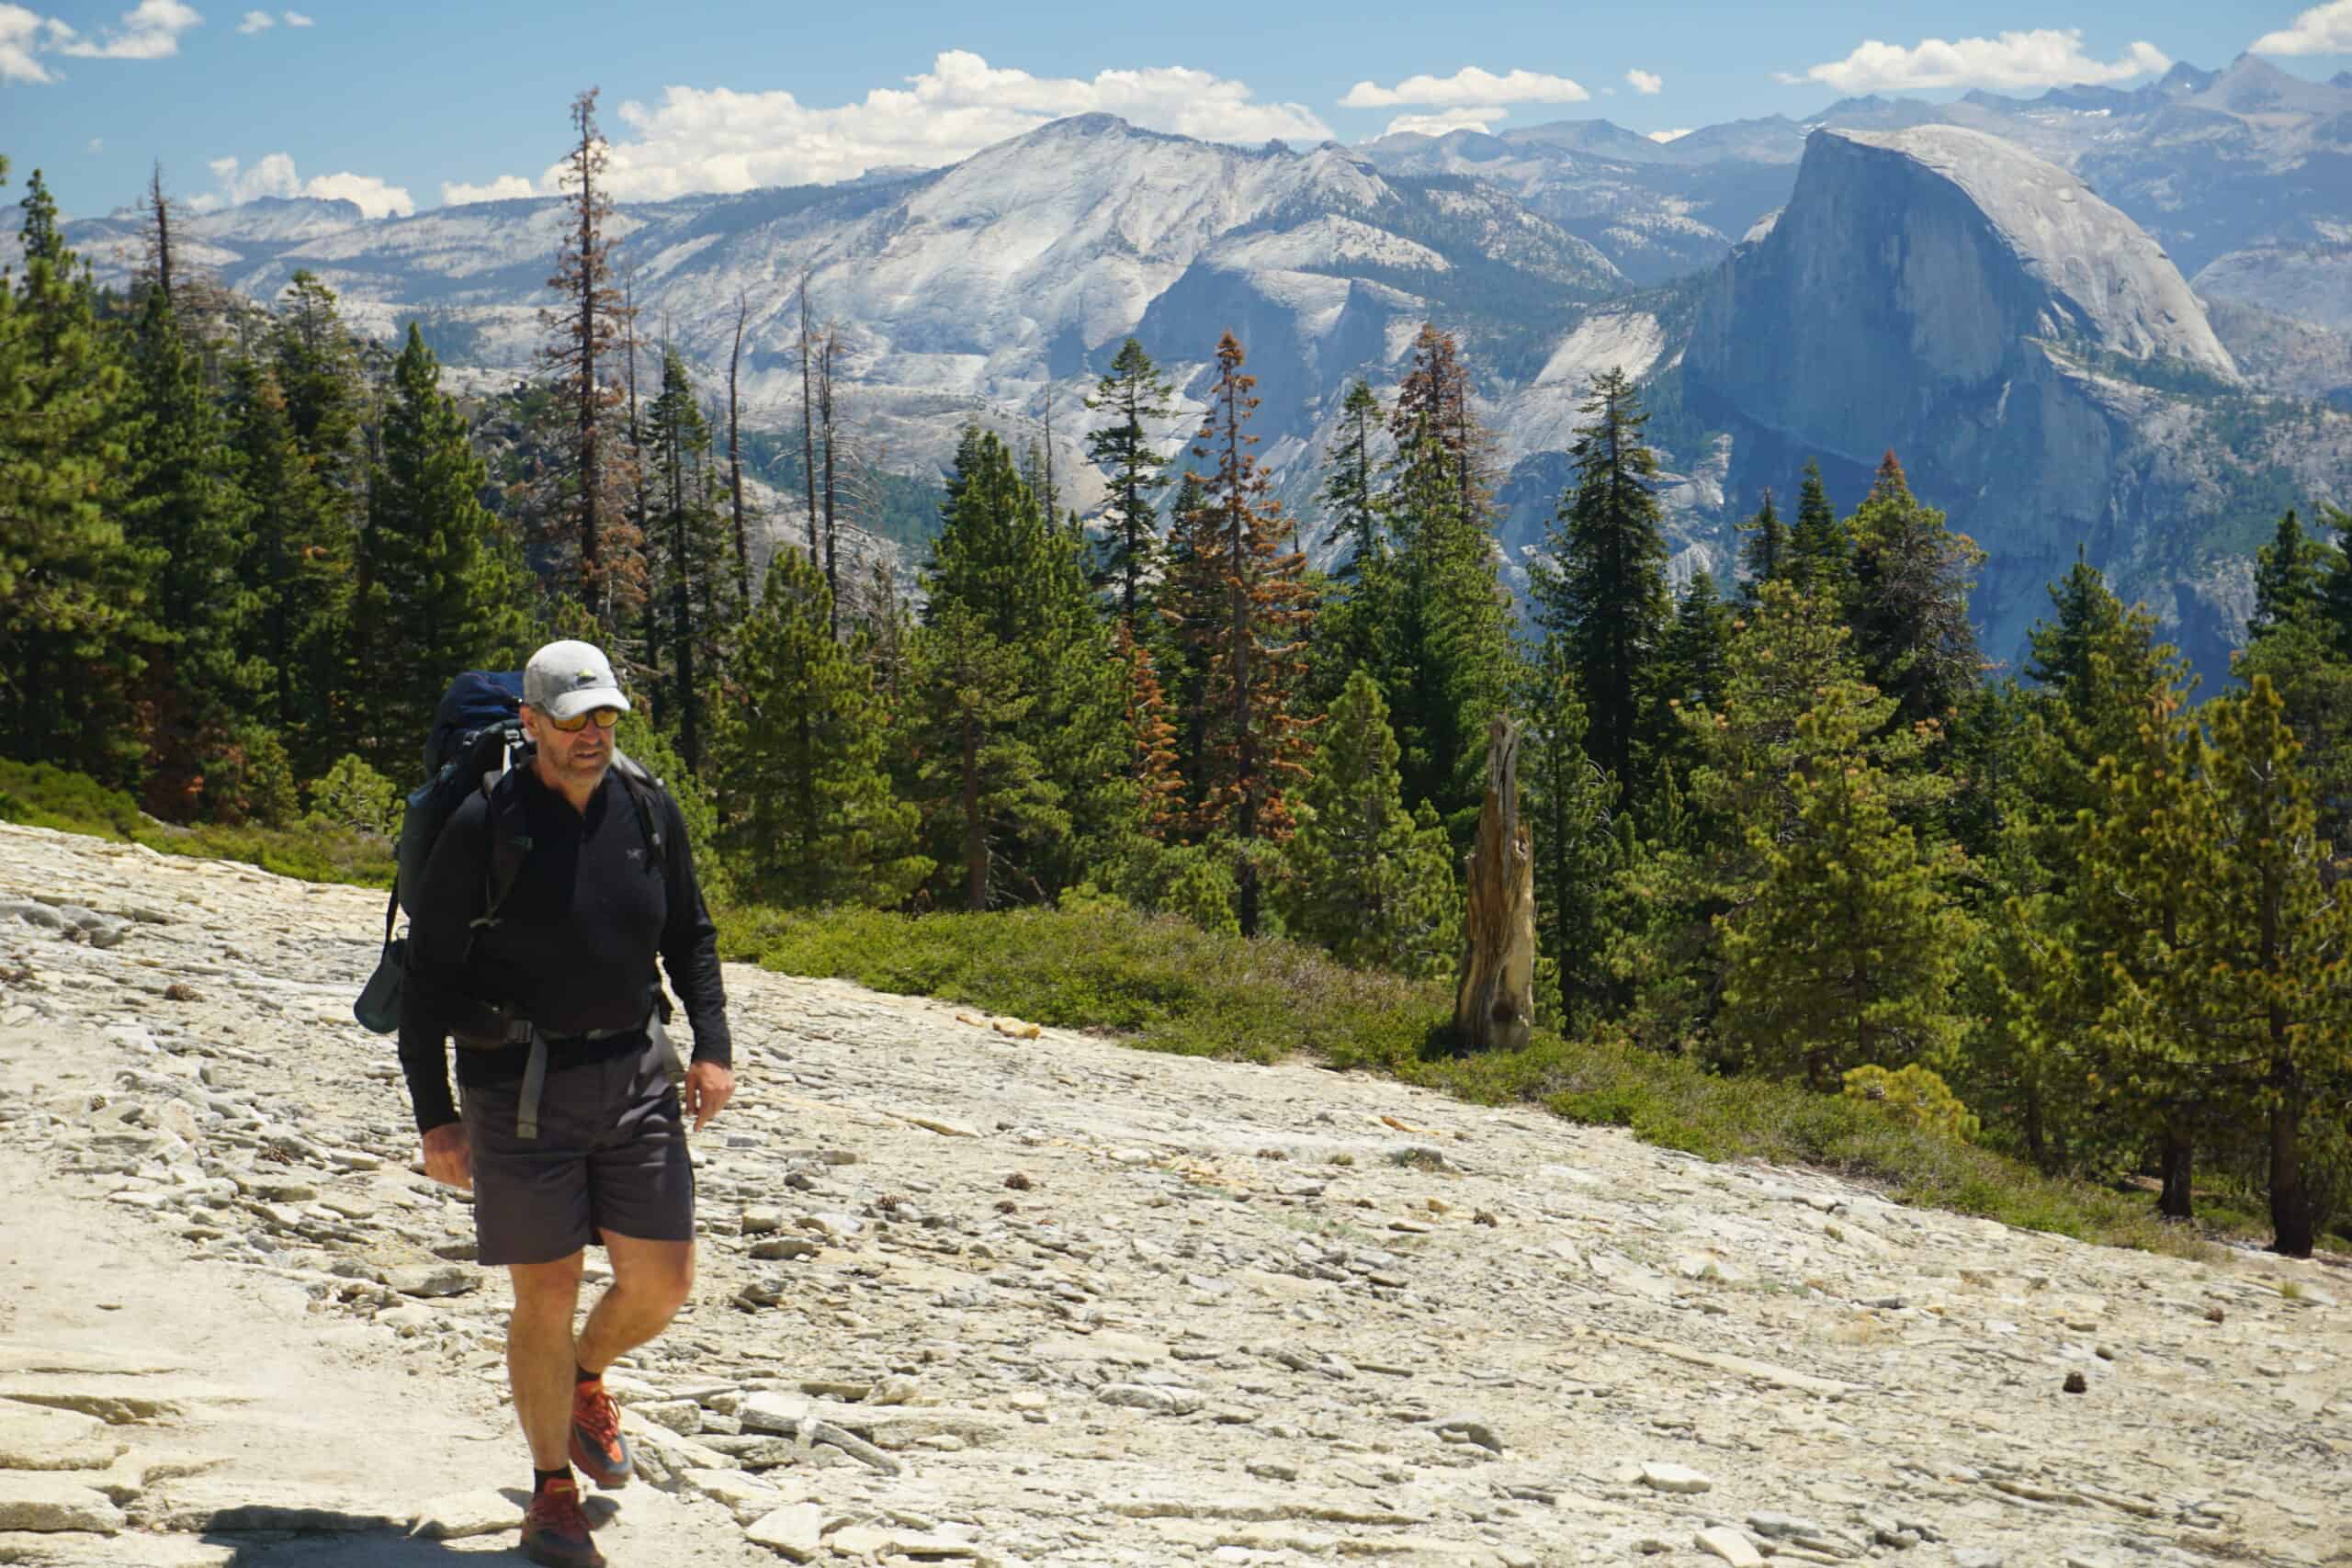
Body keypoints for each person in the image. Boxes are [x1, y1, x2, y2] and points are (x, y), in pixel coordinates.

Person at [398, 638, 734, 1568]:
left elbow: (691, 937)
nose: (594, 733)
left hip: (635, 1073)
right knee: (543, 1294)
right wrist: (436, 1116)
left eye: (606, 715)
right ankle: (552, 1493)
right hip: (517, 1090)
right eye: (575, 717)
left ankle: (587, 1378)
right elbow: (424, 985)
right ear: (530, 722)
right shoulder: (482, 826)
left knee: (661, 1283)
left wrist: (713, 1048)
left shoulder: (646, 807)